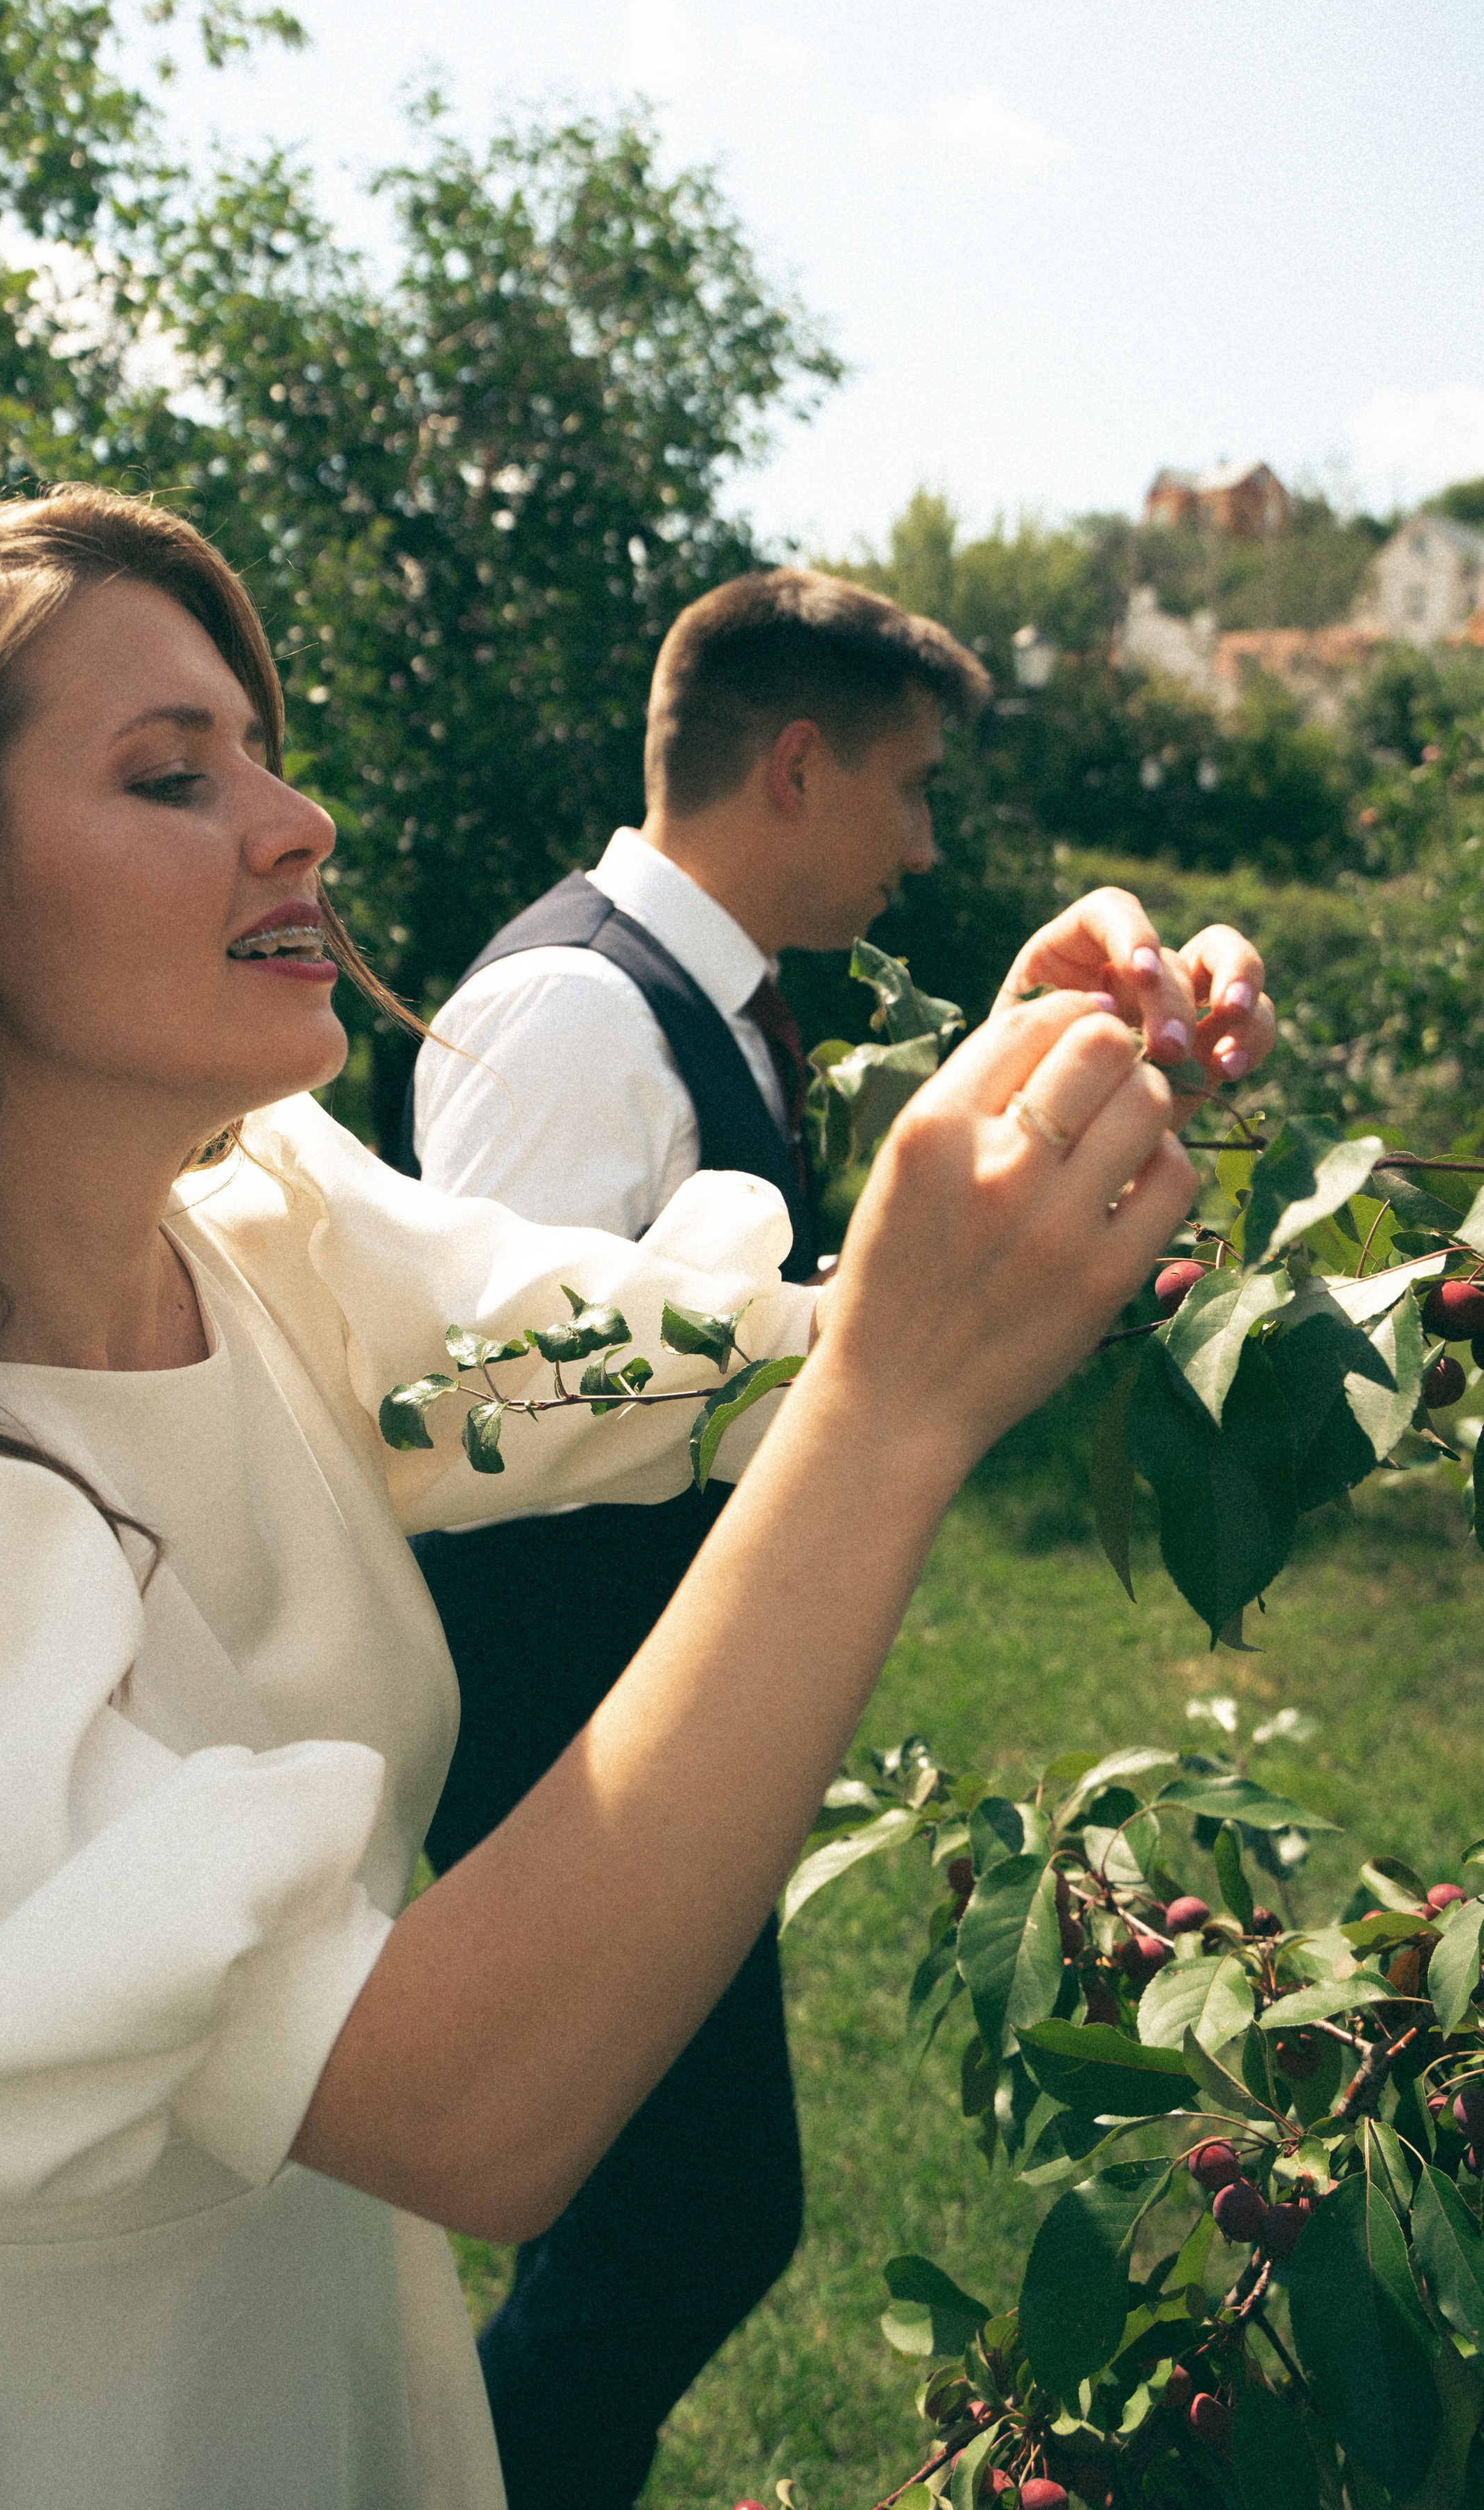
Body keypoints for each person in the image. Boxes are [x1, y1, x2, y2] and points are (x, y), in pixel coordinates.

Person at [0, 490, 1264, 2510]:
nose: (300, 823)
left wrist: (1044, 1085)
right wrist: (895, 1410)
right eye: (174, 774)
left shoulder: (269, 1238)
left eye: (263, 753)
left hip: (350, 2359)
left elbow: (711, 1356)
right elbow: (462, 2110)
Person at [403, 567, 1273, 2509]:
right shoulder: (572, 1013)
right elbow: (494, 1434)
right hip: (573, 1736)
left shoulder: (712, 1004)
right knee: (674, 2230)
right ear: (798, 767)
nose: (927, 844)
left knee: (686, 2222)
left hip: (660, 1717)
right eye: (914, 788)